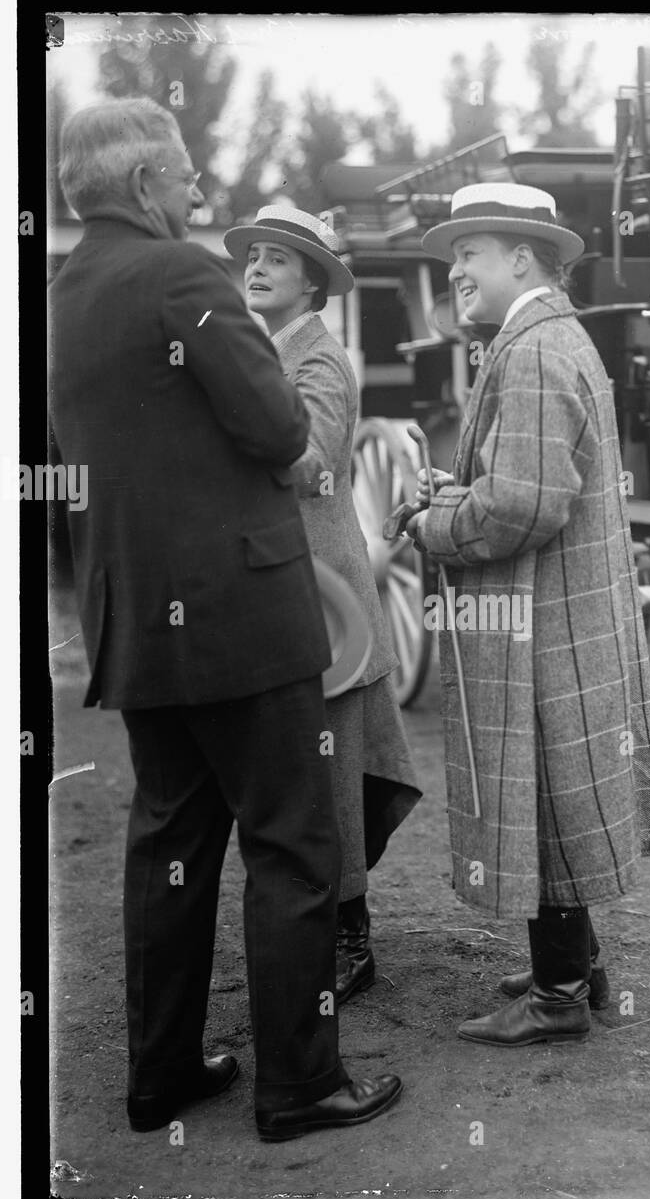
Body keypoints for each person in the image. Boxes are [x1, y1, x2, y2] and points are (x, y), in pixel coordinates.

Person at [49, 97, 401, 1141]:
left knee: (171, 843)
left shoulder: (61, 289)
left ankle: (161, 1074)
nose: (200, 189)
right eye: (190, 174)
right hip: (241, 619)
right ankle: (299, 1086)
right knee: (293, 845)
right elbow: (278, 421)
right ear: (149, 184)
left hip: (137, 621)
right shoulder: (182, 272)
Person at [407, 182, 650, 1046]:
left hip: (545, 618)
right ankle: (578, 970)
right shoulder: (549, 337)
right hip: (563, 611)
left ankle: (558, 997)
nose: (454, 269)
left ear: (519, 258)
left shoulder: (527, 351)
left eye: (467, 253)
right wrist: (462, 492)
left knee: (544, 796)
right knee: (556, 796)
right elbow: (525, 485)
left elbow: (524, 508)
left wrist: (432, 524)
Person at [223, 207, 422, 1003]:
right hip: (286, 582)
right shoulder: (266, 350)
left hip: (324, 590)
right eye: (255, 255)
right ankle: (322, 928)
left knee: (331, 768)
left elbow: (309, 466)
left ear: (313, 281)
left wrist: (234, 426)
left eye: (280, 258)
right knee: (303, 764)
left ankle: (349, 943)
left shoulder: (319, 360)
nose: (260, 266)